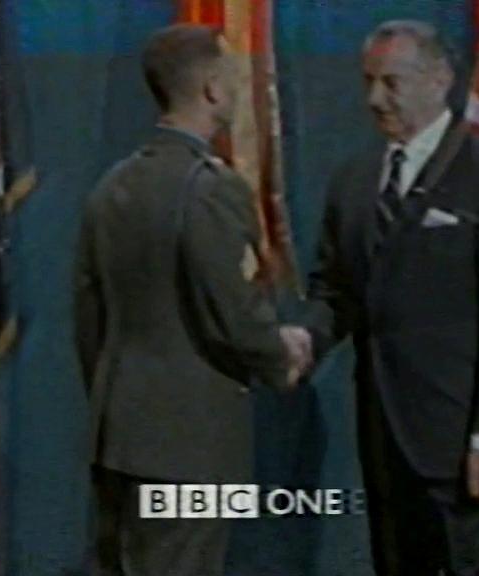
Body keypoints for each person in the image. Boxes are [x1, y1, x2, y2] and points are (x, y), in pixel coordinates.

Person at [284, 20, 479, 576]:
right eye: (368, 82)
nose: (375, 99)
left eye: (391, 82)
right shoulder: (354, 181)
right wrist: (306, 336)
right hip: (385, 440)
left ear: (440, 79)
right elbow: (337, 289)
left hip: (464, 442)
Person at [73, 24, 309, 576]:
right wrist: (280, 354)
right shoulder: (212, 188)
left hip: (118, 435)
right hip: (191, 443)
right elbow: (235, 314)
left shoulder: (112, 185)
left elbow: (88, 317)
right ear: (211, 89)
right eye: (231, 76)